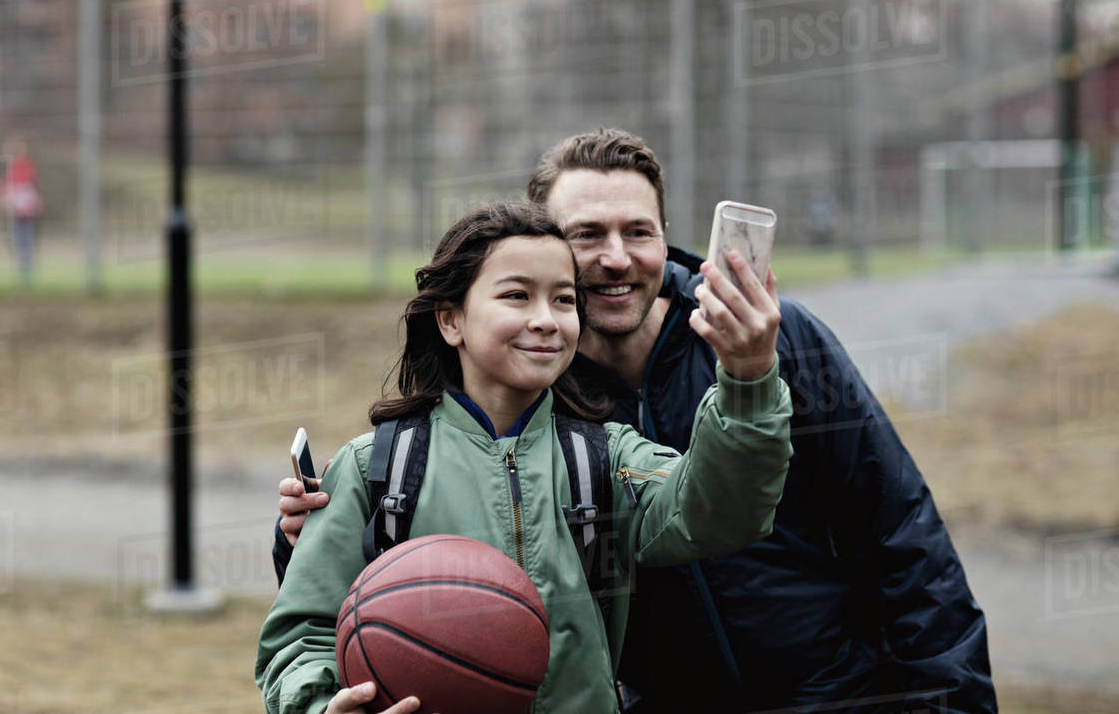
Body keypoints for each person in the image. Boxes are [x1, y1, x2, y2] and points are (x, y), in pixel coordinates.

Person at [276, 129, 998, 713]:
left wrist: (747, 376)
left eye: (638, 231)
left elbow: (897, 530)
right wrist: (307, 551)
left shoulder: (752, 351)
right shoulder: (422, 447)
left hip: (832, 694)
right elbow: (335, 611)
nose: (615, 258)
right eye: (586, 235)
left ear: (666, 236)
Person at [257, 201, 794, 713]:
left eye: (563, 300)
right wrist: (323, 705)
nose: (546, 319)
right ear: (451, 321)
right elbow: (300, 637)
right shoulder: (377, 465)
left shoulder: (607, 457)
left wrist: (747, 379)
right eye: (517, 296)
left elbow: (718, 512)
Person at [0, 136, 43, 284]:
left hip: (23, 212)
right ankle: (23, 269)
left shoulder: (23, 167)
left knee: (23, 240)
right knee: (19, 241)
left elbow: (18, 184)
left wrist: (1, 192)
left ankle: (26, 271)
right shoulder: (16, 169)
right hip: (18, 212)